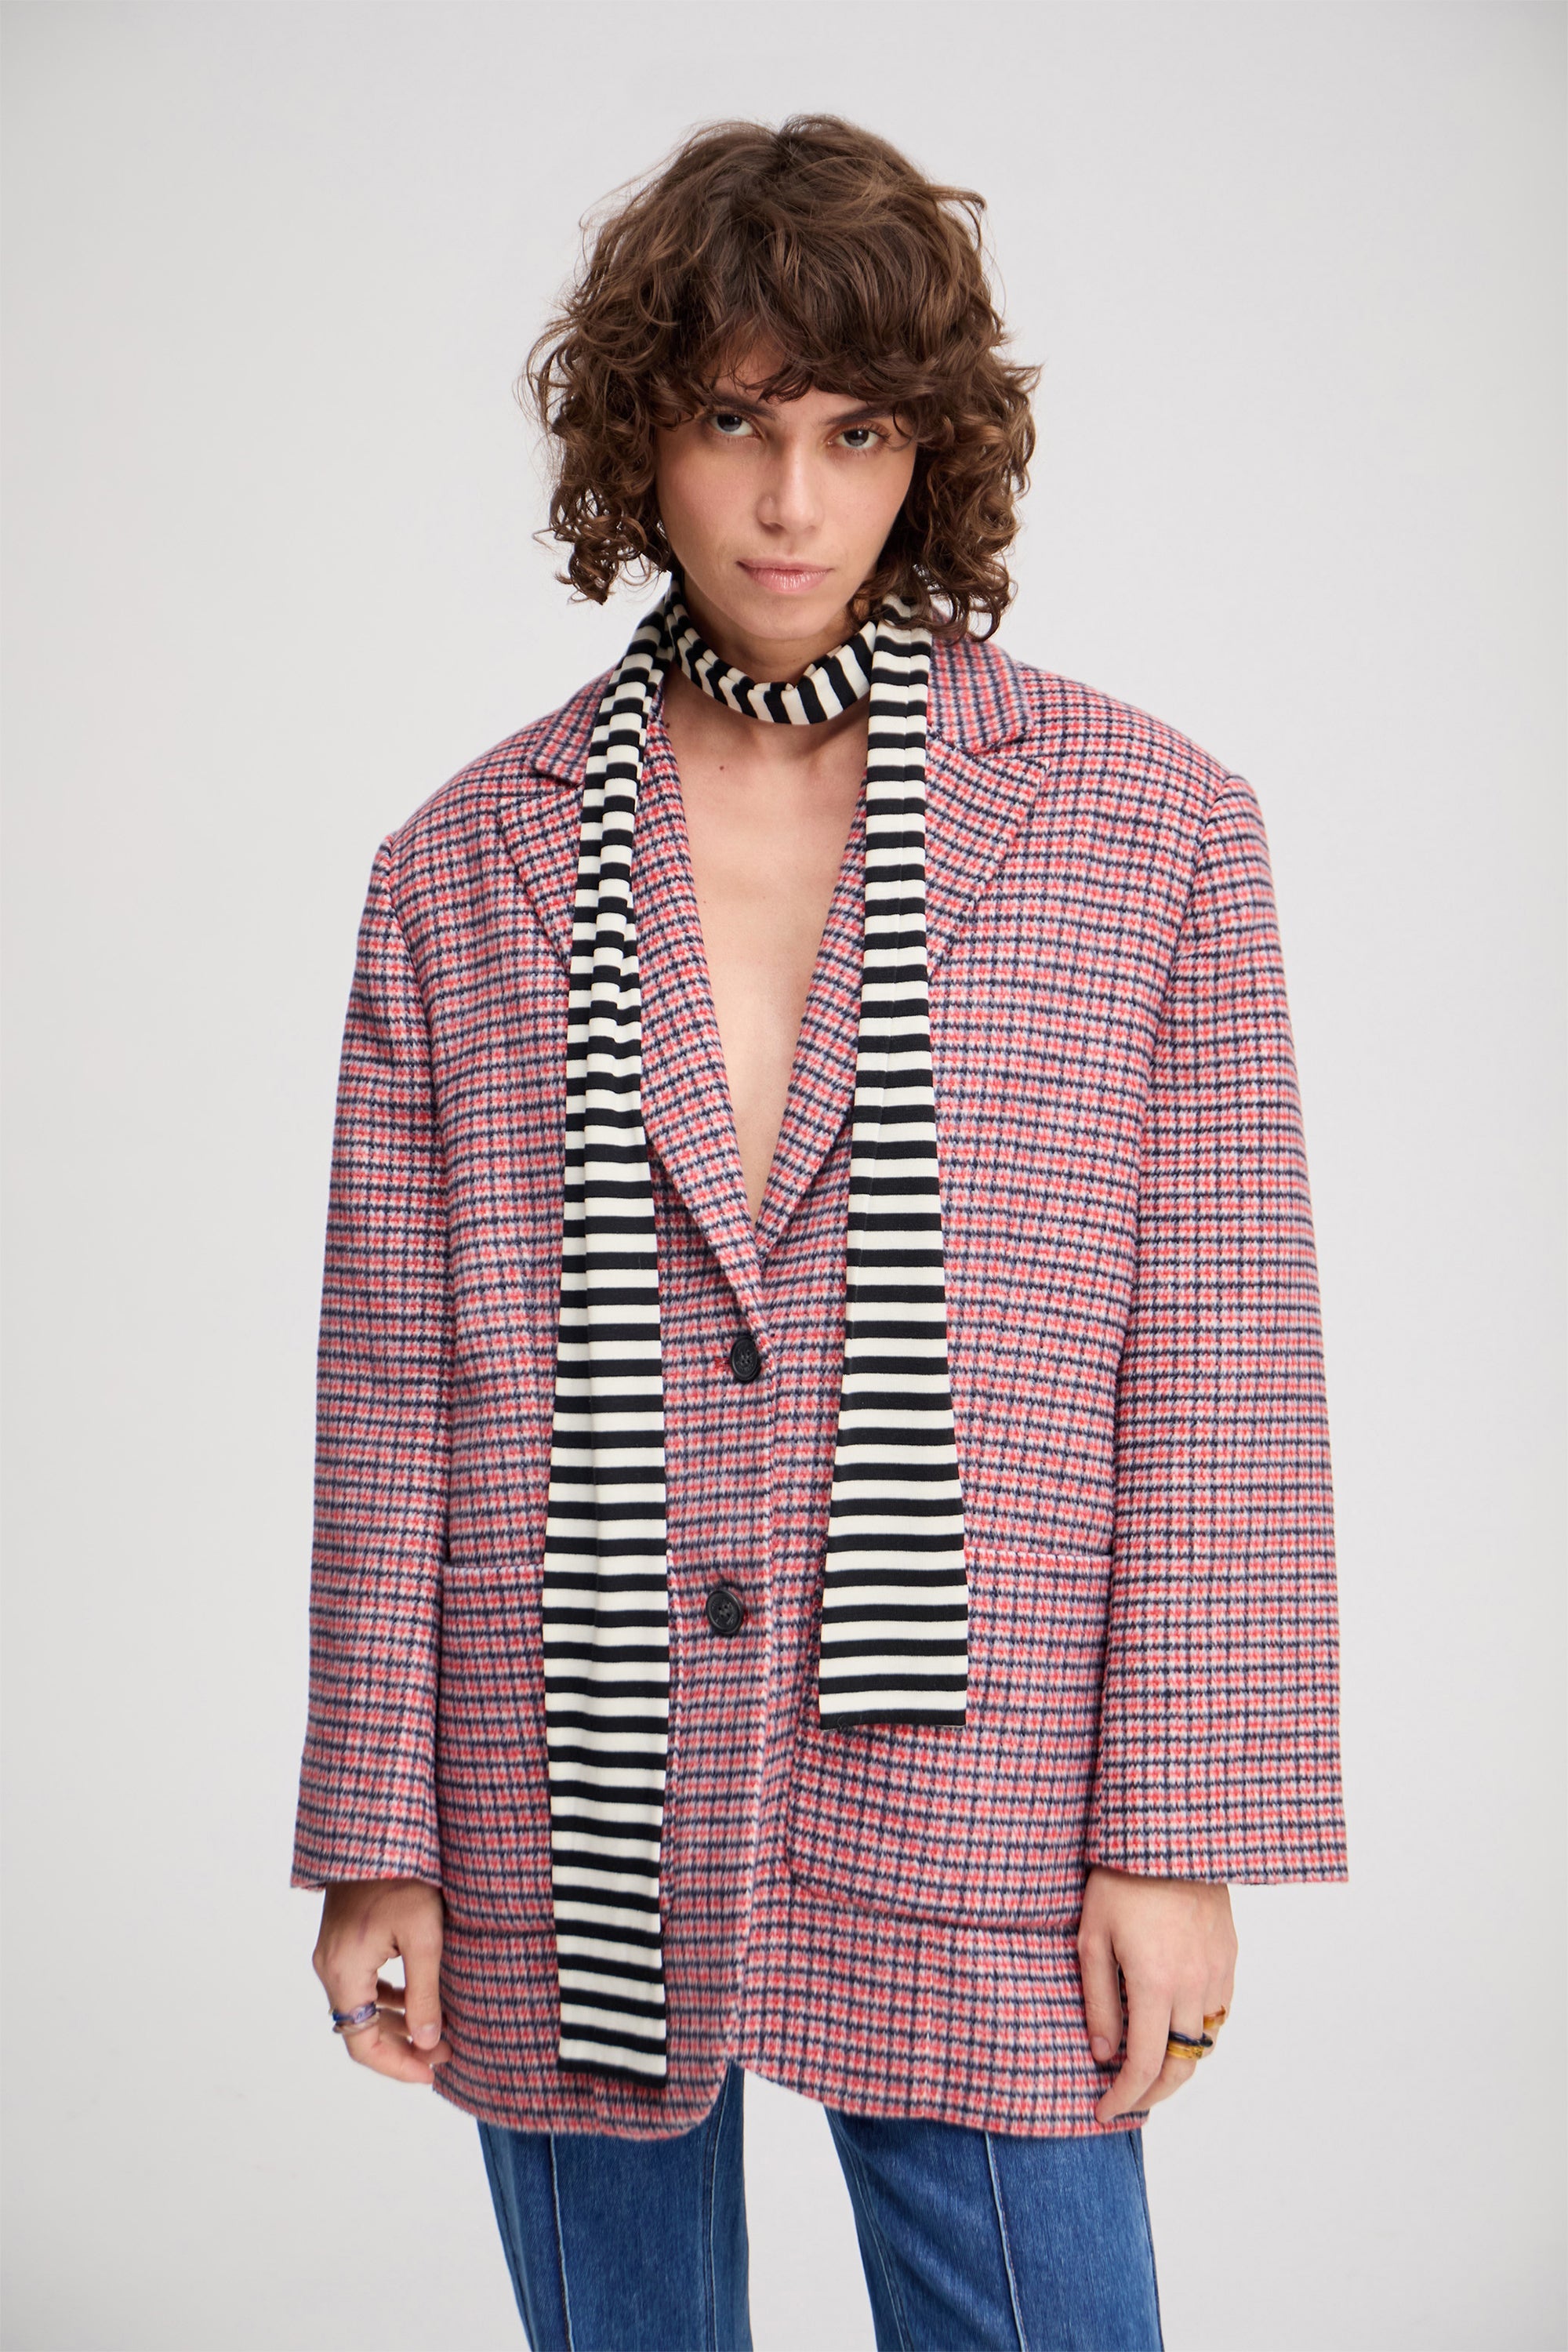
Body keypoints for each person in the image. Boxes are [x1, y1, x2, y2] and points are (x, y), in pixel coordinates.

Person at [292, 113, 1347, 2352]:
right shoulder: (458, 871)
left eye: (857, 433)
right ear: (640, 445)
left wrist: (1176, 1837)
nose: (792, 502)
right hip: (569, 1773)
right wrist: (378, 1826)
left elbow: (1222, 1361)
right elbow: (392, 1389)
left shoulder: (1150, 829)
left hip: (984, 1775)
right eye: (733, 424)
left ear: (931, 452)